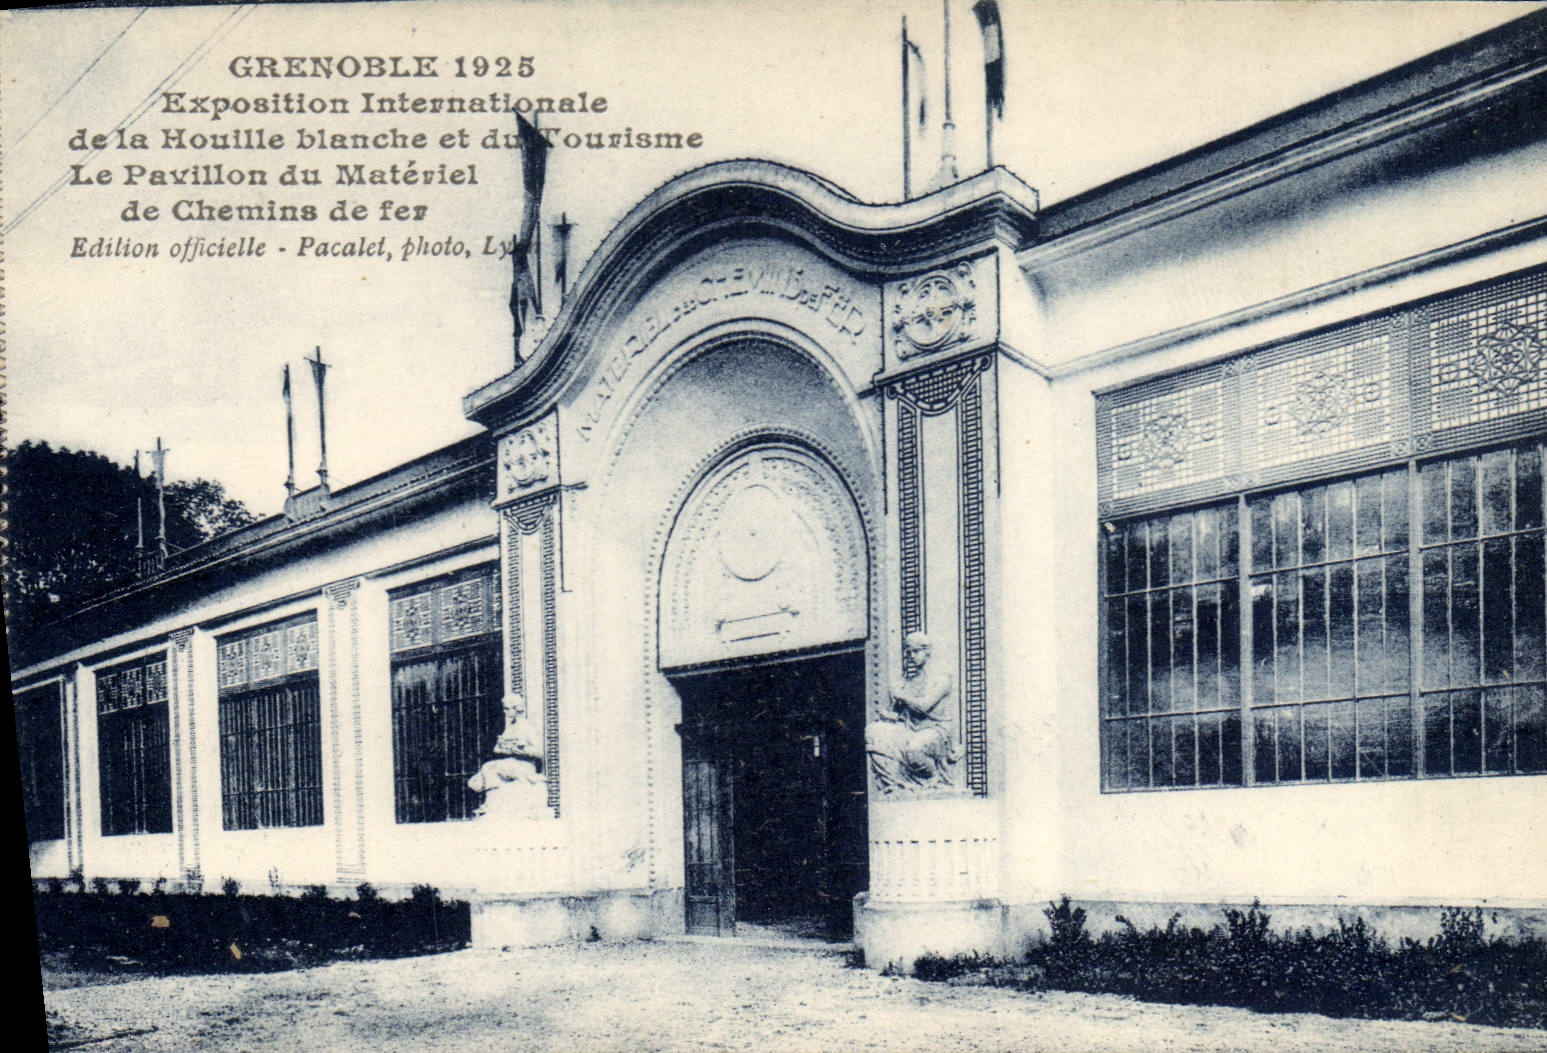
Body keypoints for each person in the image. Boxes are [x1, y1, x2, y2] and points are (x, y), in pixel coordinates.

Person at [866, 632, 959, 792]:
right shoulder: (909, 682)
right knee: (874, 731)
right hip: (910, 729)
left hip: (936, 731)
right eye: (908, 652)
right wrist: (886, 714)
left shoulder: (942, 679)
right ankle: (894, 783)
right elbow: (896, 714)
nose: (911, 656)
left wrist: (901, 695)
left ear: (927, 652)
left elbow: (923, 706)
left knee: (914, 750)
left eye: (916, 651)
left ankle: (934, 778)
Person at [468, 694, 547, 817]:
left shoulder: (526, 727)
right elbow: (497, 748)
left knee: (489, 767)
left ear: (515, 708)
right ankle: (492, 800)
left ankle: (491, 801)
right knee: (488, 766)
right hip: (510, 762)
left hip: (523, 765)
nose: (505, 712)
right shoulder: (510, 727)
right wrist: (503, 749)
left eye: (506, 709)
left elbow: (539, 752)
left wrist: (521, 751)